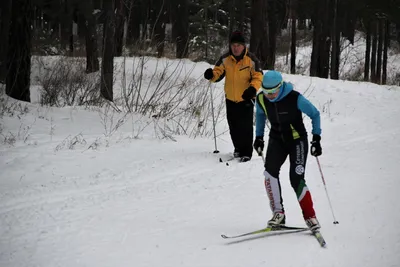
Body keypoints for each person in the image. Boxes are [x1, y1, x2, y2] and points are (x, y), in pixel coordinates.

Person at [253, 70, 322, 231]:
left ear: (280, 86)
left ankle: (310, 216)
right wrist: (259, 137)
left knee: (296, 178)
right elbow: (261, 115)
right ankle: (279, 214)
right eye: (266, 91)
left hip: (297, 140)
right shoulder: (261, 98)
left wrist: (316, 138)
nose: (269, 95)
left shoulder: (295, 98)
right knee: (269, 173)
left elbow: (315, 114)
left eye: (272, 92)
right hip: (277, 139)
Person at [204, 31, 263, 162]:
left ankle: (246, 152)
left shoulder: (251, 60)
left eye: (238, 45)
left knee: (245, 127)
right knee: (233, 126)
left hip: (246, 98)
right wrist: (211, 75)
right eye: (233, 45)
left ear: (243, 46)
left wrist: (252, 89)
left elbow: (258, 76)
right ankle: (238, 149)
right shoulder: (225, 59)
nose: (235, 48)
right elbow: (217, 73)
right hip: (230, 98)